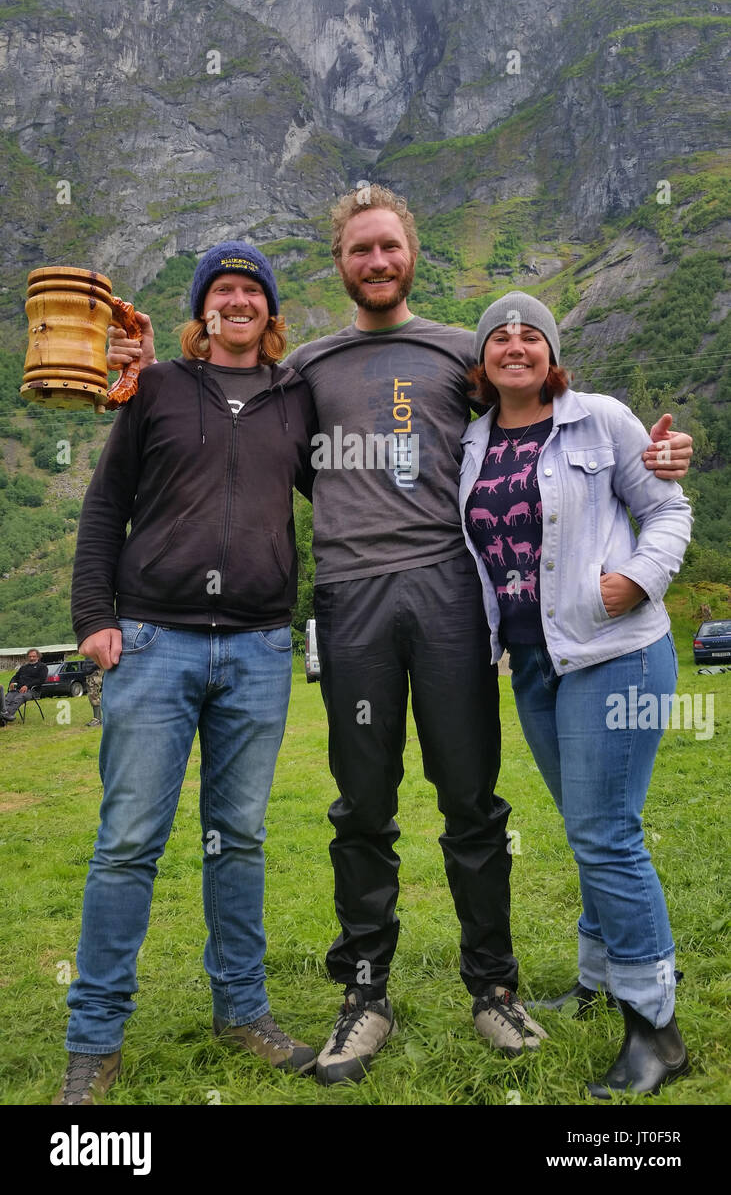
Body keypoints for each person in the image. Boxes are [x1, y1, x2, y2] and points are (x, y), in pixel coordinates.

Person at [112, 187, 693, 1088]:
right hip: (349, 599)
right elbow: (221, 416)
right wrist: (146, 370)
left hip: (453, 598)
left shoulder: (467, 350)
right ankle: (365, 992)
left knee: (472, 801)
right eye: (358, 251)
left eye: (389, 247)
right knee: (361, 805)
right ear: (339, 261)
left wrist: (656, 459)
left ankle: (493, 987)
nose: (376, 263)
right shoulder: (302, 366)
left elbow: (547, 408)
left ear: (409, 253)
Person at [55, 242, 318, 1106]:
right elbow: (104, 508)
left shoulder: (296, 397)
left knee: (237, 840)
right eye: (221, 290)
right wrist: (94, 619)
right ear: (202, 310)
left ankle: (241, 1011)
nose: (235, 301)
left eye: (250, 291)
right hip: (154, 642)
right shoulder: (157, 387)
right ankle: (94, 1040)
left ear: (268, 312)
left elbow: (353, 491)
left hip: (256, 647)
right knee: (128, 843)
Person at [459, 292, 692, 1097]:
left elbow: (666, 506)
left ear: (549, 350)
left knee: (606, 834)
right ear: (483, 359)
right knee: (585, 826)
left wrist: (637, 577)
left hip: (616, 653)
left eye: (530, 334)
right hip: (532, 663)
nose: (515, 344)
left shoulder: (599, 419)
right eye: (499, 336)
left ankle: (654, 1029)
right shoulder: (473, 441)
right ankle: (597, 981)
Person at [1, 648, 48, 724]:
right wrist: (12, 683)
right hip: (18, 689)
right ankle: (3, 716)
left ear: (38, 657)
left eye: (34, 656)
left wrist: (27, 686)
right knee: (7, 699)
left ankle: (5, 718)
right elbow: (15, 677)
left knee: (18, 699)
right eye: (30, 656)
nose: (32, 658)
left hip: (32, 691)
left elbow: (41, 680)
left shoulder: (42, 667)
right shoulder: (24, 667)